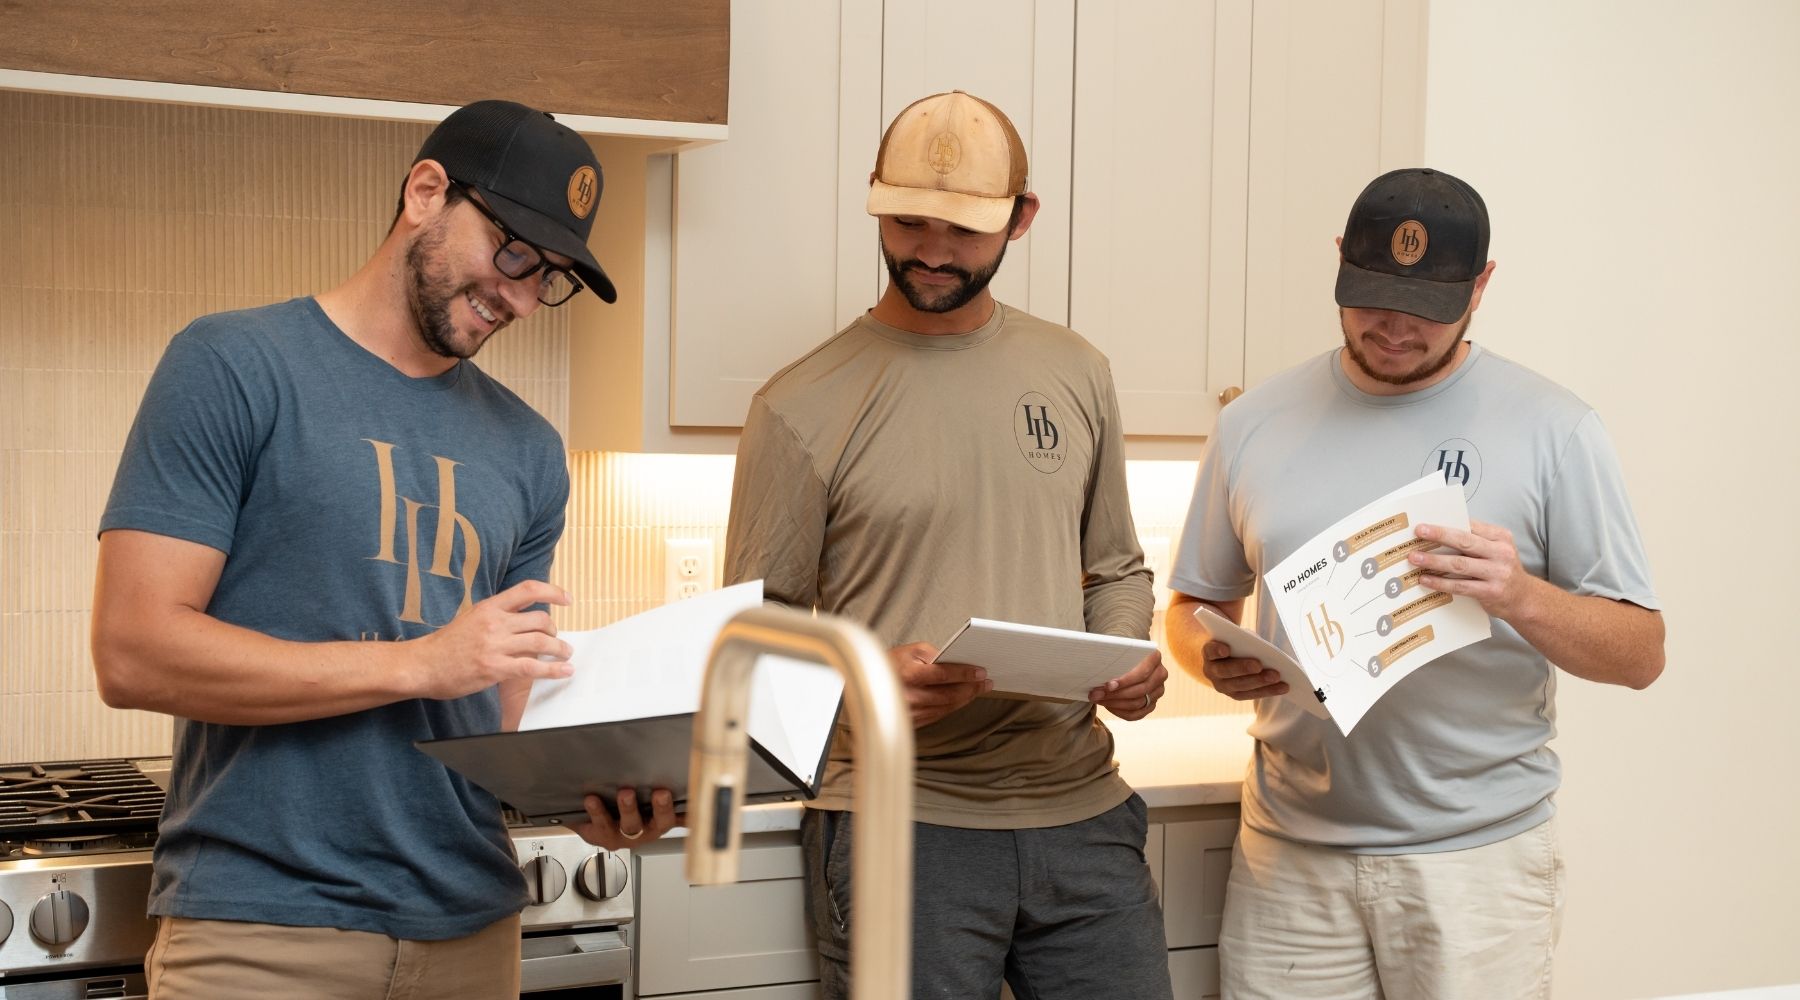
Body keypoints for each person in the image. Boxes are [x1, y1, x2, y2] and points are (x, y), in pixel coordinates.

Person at [90, 100, 679, 998]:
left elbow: (501, 711)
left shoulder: (529, 450)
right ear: (425, 191)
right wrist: (418, 664)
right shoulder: (233, 366)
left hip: (473, 934)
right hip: (264, 933)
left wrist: (598, 797)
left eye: (548, 276)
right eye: (513, 252)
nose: (522, 296)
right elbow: (133, 653)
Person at [1164, 167, 1665, 999]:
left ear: (1482, 286)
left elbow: (1641, 653)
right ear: (1338, 264)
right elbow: (1192, 606)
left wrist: (1521, 595)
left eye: (1427, 310)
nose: (1394, 329)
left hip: (1478, 865)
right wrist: (1204, 656)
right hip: (1288, 859)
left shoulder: (1556, 429)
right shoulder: (1251, 421)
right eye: (1369, 298)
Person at [722, 90, 1174, 1000]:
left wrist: (1129, 656)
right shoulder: (800, 403)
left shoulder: (1077, 371)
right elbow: (748, 646)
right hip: (899, 825)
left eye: (964, 231)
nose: (930, 251)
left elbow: (1116, 566)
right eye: (908, 222)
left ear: (1023, 218)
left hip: (1083, 814)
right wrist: (861, 685)